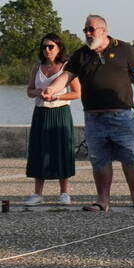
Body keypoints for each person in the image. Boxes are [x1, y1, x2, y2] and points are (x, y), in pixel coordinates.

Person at [65, 14, 134, 211]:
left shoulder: (123, 48)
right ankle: (103, 200)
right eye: (85, 29)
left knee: (130, 156)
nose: (87, 33)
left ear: (104, 31)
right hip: (94, 117)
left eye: (91, 29)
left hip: (121, 114)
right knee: (99, 159)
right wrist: (52, 90)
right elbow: (66, 76)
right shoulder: (80, 55)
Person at [24, 33, 78, 206]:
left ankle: (64, 192)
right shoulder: (37, 67)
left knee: (62, 149)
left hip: (60, 112)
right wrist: (38, 92)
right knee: (39, 150)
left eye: (51, 46)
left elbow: (77, 93)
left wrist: (58, 97)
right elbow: (29, 90)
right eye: (44, 47)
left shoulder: (67, 68)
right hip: (41, 112)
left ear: (59, 48)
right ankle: (38, 193)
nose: (47, 50)